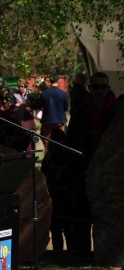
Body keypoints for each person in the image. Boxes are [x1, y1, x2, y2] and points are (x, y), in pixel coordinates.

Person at [66, 71, 116, 253]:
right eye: (96, 87)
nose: (100, 91)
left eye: (103, 87)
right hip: (83, 170)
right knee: (82, 216)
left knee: (107, 218)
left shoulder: (115, 111)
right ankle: (82, 254)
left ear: (108, 88)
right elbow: (72, 138)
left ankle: (106, 254)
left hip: (109, 174)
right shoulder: (81, 110)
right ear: (90, 88)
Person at [40, 75, 69, 152]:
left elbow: (40, 106)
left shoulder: (44, 93)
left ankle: (48, 157)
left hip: (48, 122)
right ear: (58, 81)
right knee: (61, 141)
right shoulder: (63, 93)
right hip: (60, 121)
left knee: (47, 142)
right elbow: (66, 108)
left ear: (50, 82)